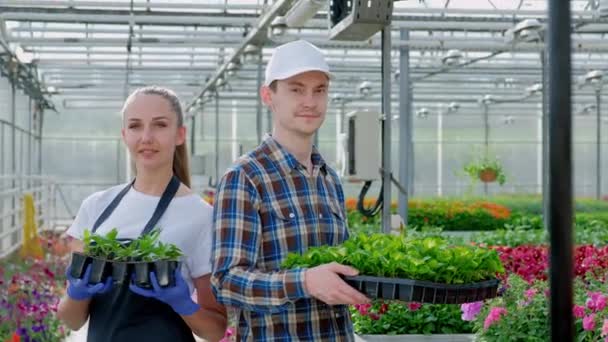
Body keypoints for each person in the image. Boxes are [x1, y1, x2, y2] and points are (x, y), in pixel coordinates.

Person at [211, 40, 369, 341]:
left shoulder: (329, 179)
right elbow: (226, 281)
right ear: (268, 95)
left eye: (319, 90)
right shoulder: (245, 177)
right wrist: (305, 281)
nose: (310, 101)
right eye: (296, 89)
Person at [56, 86, 227, 342]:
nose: (146, 137)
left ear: (180, 134)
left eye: (159, 125)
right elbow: (72, 319)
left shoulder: (202, 216)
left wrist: (184, 304)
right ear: (124, 135)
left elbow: (215, 331)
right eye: (135, 126)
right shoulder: (96, 207)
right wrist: (76, 295)